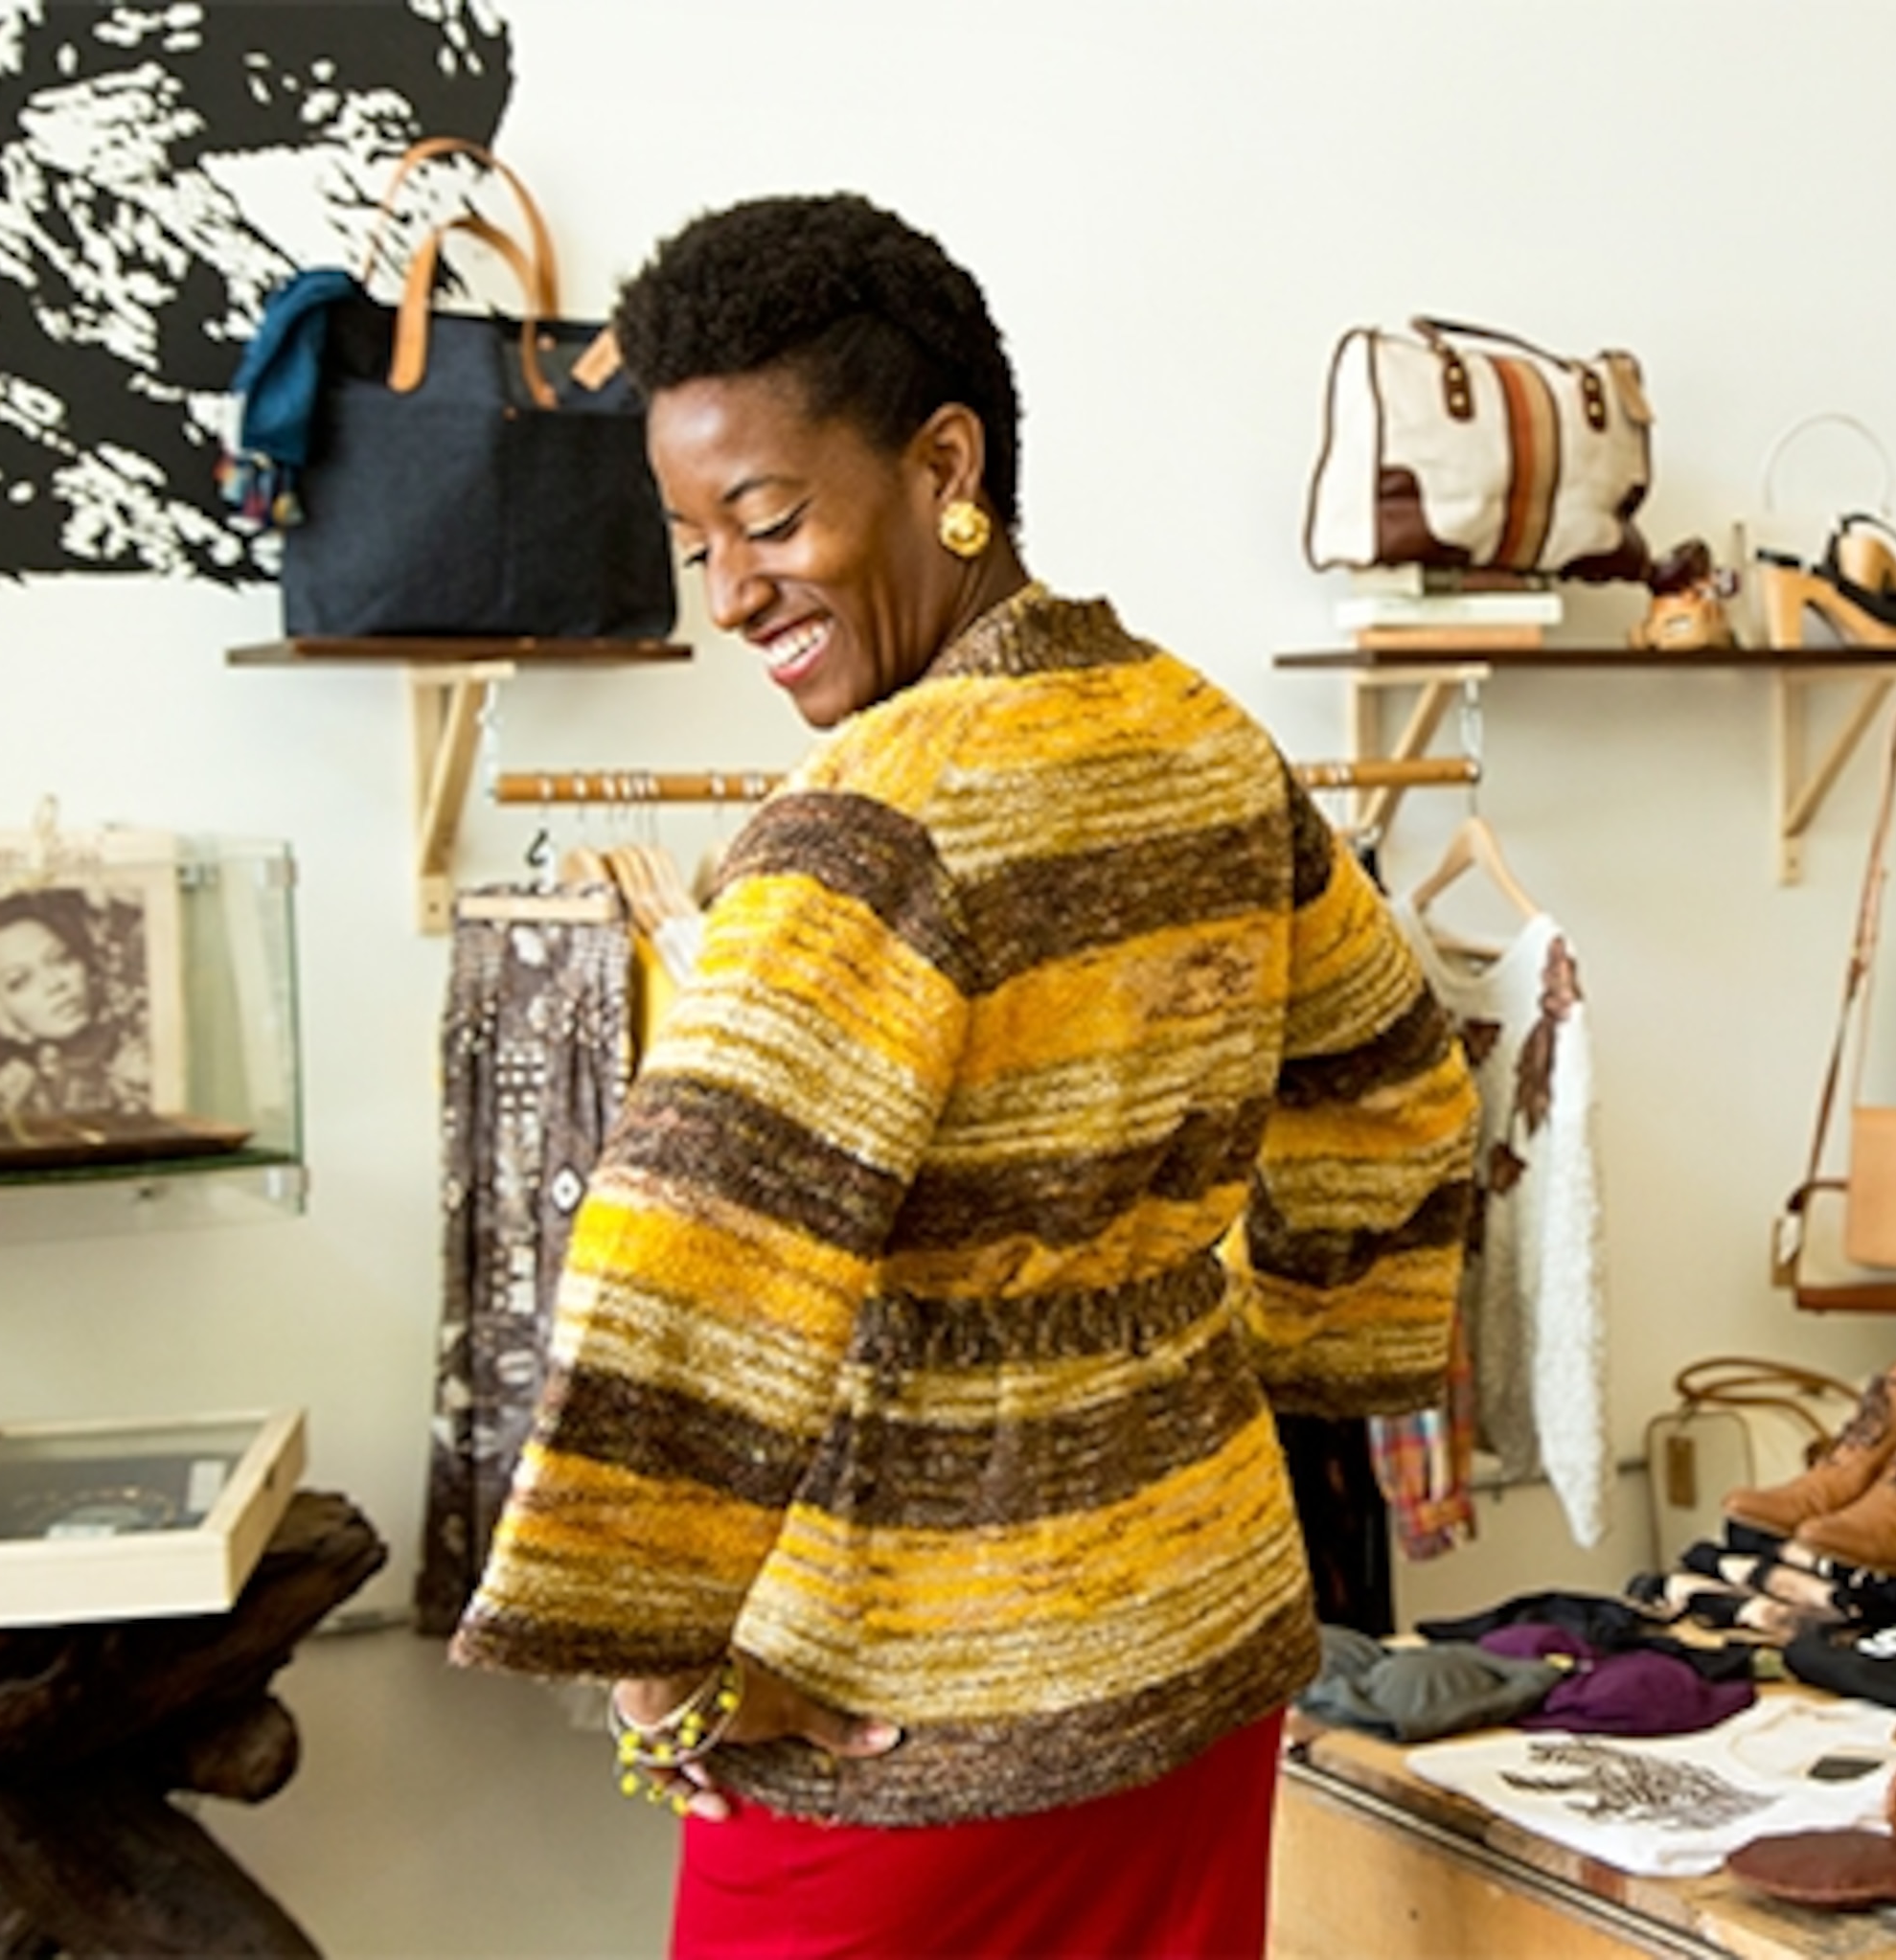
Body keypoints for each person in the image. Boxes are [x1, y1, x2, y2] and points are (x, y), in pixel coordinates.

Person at [449, 193, 1480, 1959]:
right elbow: (1399, 1081)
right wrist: (1303, 1346)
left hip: (905, 1696)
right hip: (1200, 1621)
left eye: (766, 519)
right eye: (696, 540)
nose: (731, 595)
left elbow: (690, 1262)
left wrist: (656, 1679)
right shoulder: (1204, 741)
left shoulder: (865, 826)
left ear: (945, 461)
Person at [0, 892, 148, 1122]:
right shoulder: (4, 1093)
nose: (54, 984)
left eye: (62, 960)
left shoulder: (139, 1037)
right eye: (19, 981)